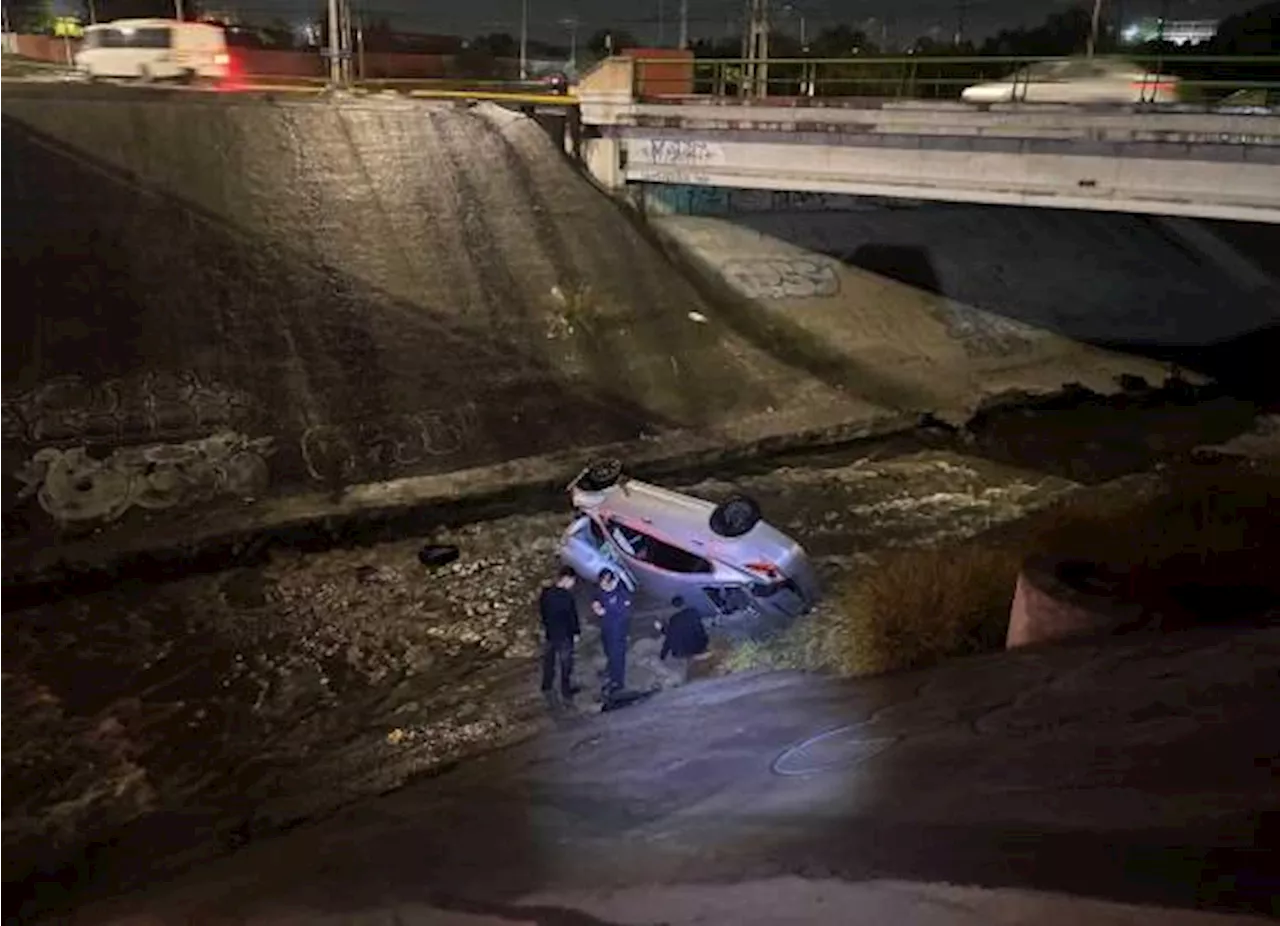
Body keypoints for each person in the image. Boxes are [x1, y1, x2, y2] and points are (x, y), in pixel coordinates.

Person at [539, 567, 581, 707]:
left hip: (551, 633)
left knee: (549, 662)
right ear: (566, 579)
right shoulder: (567, 597)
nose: (573, 584)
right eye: (572, 581)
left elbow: (543, 613)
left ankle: (547, 686)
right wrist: (576, 632)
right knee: (566, 664)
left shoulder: (546, 593)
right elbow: (571, 616)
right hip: (564, 635)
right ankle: (566, 690)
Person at [592, 568, 633, 700]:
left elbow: (623, 610)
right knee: (608, 650)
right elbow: (596, 598)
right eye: (601, 583)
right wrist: (596, 605)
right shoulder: (600, 590)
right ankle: (609, 671)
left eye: (605, 583)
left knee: (617, 654)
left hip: (618, 629)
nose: (602, 586)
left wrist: (606, 609)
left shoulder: (621, 592)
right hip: (606, 627)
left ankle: (617, 682)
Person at [655, 595, 710, 687]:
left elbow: (669, 638)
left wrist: (662, 656)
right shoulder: (694, 613)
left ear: (673, 607)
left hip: (684, 652)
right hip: (700, 646)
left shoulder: (674, 620)